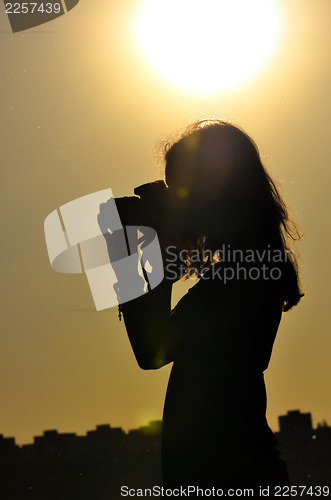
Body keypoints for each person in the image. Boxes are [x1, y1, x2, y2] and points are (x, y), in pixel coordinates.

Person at [119, 119, 304, 493]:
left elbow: (151, 351)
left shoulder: (243, 273)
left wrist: (137, 251)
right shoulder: (253, 262)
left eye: (182, 190)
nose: (175, 203)